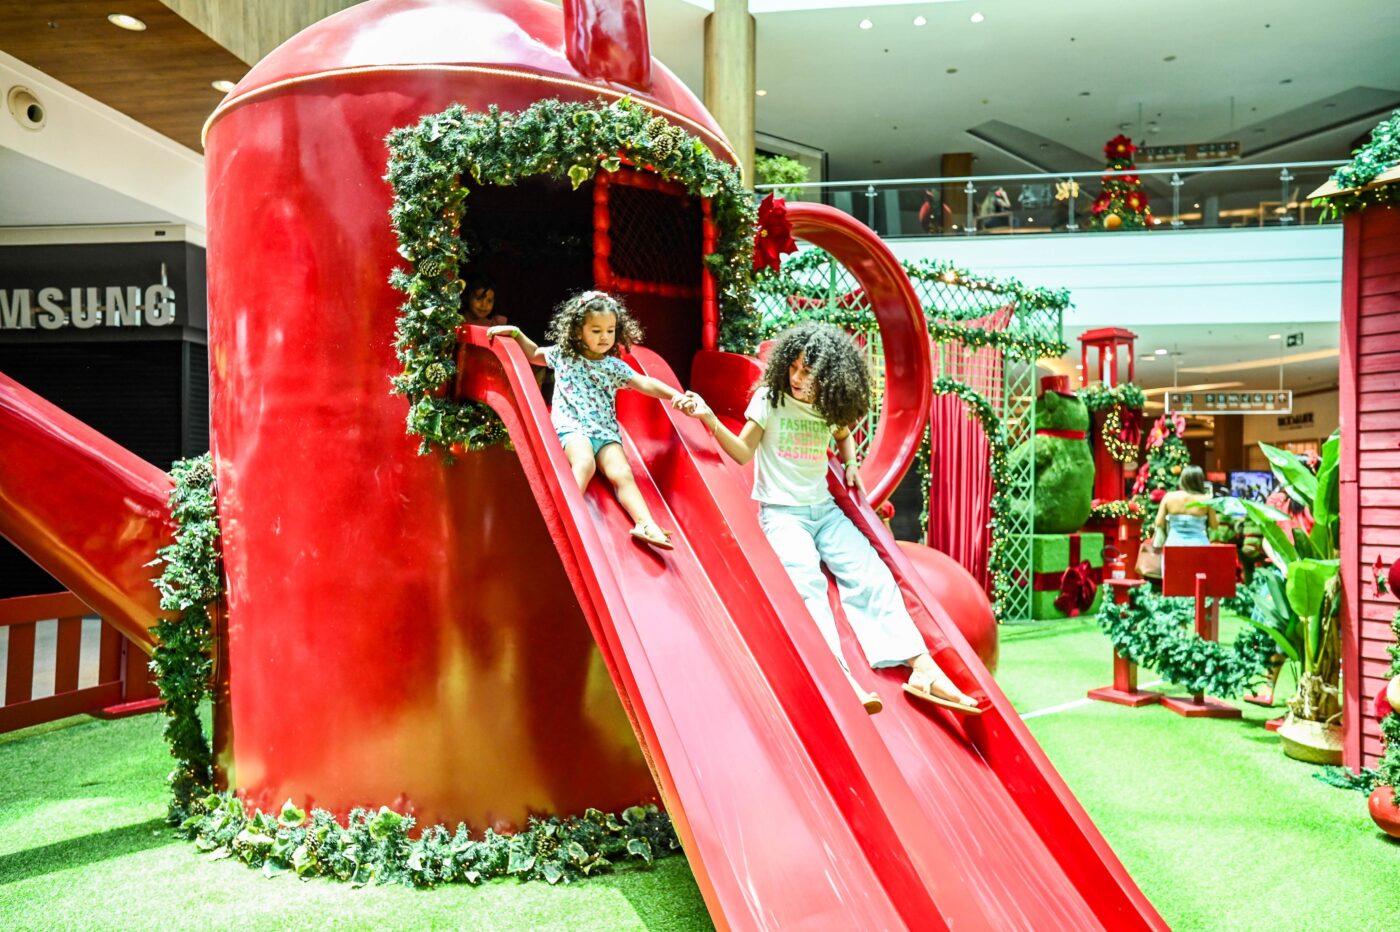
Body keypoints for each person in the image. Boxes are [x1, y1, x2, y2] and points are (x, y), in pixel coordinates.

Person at [677, 323, 982, 716]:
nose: (799, 378)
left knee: (873, 574)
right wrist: (708, 418)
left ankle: (921, 668)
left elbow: (843, 433)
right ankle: (836, 672)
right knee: (806, 583)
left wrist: (852, 464)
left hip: (824, 512)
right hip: (784, 515)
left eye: (810, 373)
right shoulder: (770, 400)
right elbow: (741, 453)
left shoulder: (827, 404)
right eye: (796, 368)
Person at [488, 291, 684, 550]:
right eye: (596, 330)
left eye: (610, 330)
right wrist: (515, 334)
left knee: (623, 473)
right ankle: (565, 512)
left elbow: (644, 382)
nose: (604, 337)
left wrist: (676, 396)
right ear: (578, 331)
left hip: (604, 431)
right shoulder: (565, 356)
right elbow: (534, 353)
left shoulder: (614, 366)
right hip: (573, 426)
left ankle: (645, 523)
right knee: (584, 462)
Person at [1153, 465, 1218, 548]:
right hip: (1199, 545)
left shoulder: (1169, 497)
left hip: (1174, 544)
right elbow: (1214, 525)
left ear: (1182, 480)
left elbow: (1159, 522)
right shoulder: (1207, 500)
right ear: (1200, 480)